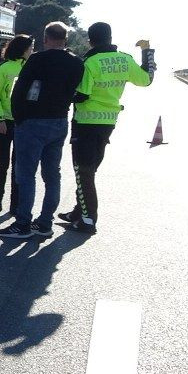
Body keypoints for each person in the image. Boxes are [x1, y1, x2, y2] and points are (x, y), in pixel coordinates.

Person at [56, 22, 154, 234]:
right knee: (89, 170)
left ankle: (88, 220)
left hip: (86, 123)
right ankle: (78, 211)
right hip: (108, 122)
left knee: (83, 171)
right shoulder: (125, 60)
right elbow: (147, 79)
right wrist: (147, 51)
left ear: (90, 40)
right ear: (110, 38)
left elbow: (82, 95)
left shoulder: (90, 62)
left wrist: (60, 96)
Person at [0, 22, 84, 240]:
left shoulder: (36, 60)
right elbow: (77, 91)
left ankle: (23, 223)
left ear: (46, 38)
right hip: (60, 121)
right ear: (66, 39)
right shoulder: (76, 63)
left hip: (32, 123)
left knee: (26, 175)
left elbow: (20, 91)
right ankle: (45, 223)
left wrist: (20, 118)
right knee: (52, 175)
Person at [0, 34, 32, 215]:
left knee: (14, 165)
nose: (32, 51)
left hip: (22, 123)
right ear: (23, 49)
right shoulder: (3, 68)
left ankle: (14, 204)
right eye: (30, 48)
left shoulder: (31, 67)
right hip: (4, 123)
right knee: (3, 164)